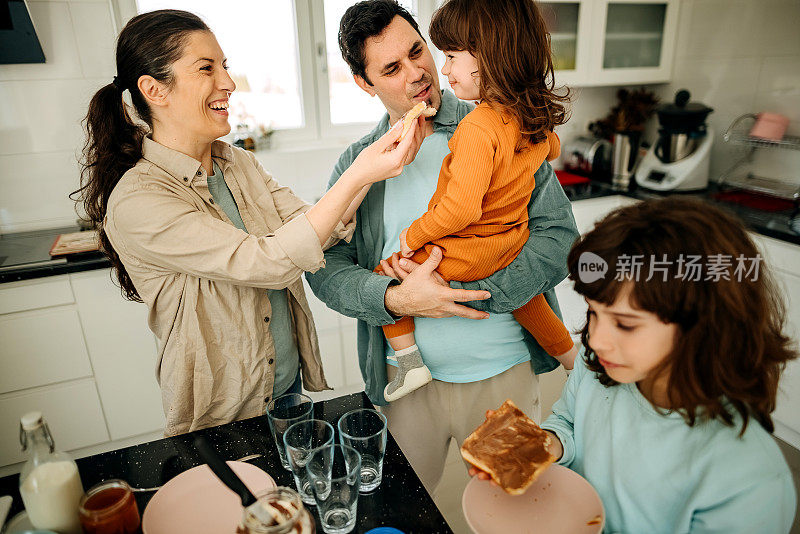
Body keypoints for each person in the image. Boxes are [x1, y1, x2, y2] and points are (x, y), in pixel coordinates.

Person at [73, 9, 423, 436]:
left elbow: (318, 229)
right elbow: (267, 264)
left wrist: (382, 149)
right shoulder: (139, 200)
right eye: (206, 69)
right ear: (154, 89)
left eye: (225, 66)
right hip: (224, 413)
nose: (228, 82)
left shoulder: (236, 162)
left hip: (288, 388)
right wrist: (360, 172)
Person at [305, 0, 579, 491]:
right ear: (365, 84)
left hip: (504, 373)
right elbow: (323, 270)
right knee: (405, 510)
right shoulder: (358, 162)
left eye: (418, 51)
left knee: (511, 506)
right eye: (392, 67)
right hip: (404, 384)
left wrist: (476, 292)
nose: (418, 72)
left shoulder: (501, 127)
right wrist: (396, 299)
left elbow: (559, 237)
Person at [471, 197, 797, 532]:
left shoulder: (750, 482)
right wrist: (543, 444)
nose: (596, 340)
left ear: (704, 327)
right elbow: (570, 421)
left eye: (626, 324)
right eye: (593, 313)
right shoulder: (597, 365)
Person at [374, 0, 578, 403]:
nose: (442, 70)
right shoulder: (525, 118)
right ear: (367, 81)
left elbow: (461, 209)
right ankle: (574, 360)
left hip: (469, 253)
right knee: (530, 300)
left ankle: (409, 365)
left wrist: (414, 235)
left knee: (388, 274)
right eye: (391, 68)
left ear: (490, 56)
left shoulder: (474, 128)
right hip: (509, 245)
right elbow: (550, 148)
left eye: (448, 57)